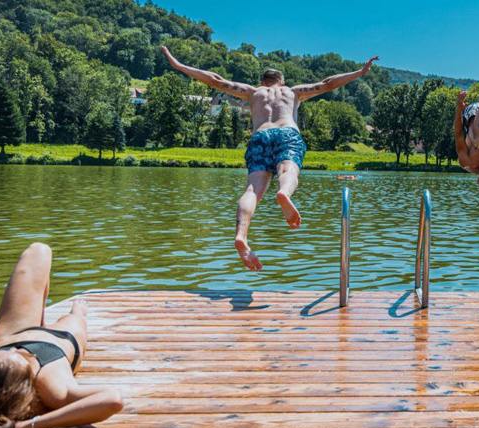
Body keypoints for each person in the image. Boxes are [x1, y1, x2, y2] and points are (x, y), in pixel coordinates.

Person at [162, 46, 379, 271]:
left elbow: (216, 79)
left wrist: (179, 65)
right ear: (281, 82)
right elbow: (328, 82)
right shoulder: (293, 92)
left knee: (252, 191)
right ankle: (284, 192)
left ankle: (241, 236)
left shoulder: (252, 92)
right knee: (288, 172)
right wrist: (359, 72)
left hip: (261, 135)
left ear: (262, 82)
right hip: (287, 133)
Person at [0, 243, 123, 428]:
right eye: (21, 357)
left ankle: (36, 320)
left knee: (39, 250)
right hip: (59, 343)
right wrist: (26, 427)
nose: (18, 349)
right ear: (26, 387)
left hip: (10, 333)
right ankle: (77, 314)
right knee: (76, 316)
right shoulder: (52, 388)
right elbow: (112, 400)